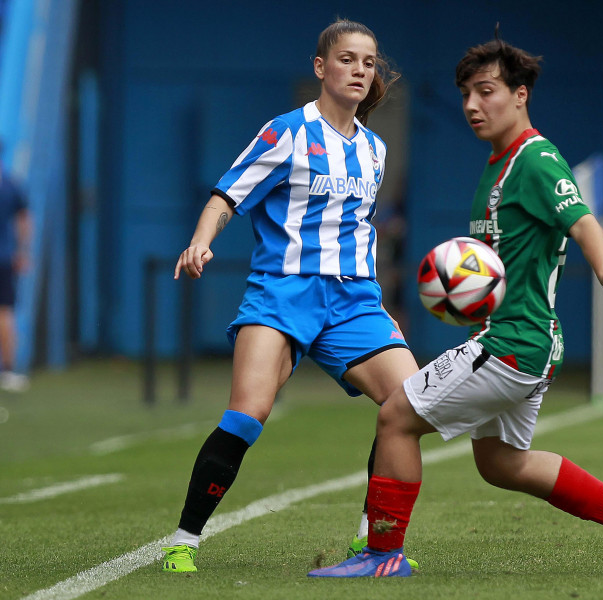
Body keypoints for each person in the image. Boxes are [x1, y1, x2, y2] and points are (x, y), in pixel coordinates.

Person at [309, 36, 603, 579]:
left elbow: (581, 219)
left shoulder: (535, 158)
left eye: (487, 92)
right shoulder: (498, 164)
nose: (473, 106)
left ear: (521, 95)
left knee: (395, 418)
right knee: (501, 463)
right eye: (466, 95)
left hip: (510, 344)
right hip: (525, 344)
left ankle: (383, 554)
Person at [161, 19, 420, 573]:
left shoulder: (375, 149)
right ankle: (184, 540)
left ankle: (371, 541)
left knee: (409, 405)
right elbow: (227, 194)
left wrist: (381, 300)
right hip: (283, 294)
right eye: (347, 59)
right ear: (321, 68)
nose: (358, 70)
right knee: (247, 414)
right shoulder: (287, 133)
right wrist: (200, 243)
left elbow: (361, 230)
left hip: (355, 301)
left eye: (368, 62)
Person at [0, 144, 31, 393]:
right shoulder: (10, 184)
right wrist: (22, 252)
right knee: (4, 313)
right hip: (4, 259)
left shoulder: (10, 185)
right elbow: (24, 220)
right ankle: (8, 370)